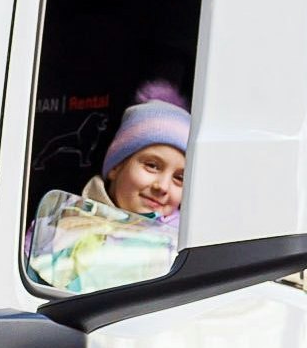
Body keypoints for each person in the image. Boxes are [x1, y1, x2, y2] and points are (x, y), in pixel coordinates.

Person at [22, 80, 190, 294]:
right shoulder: (60, 222)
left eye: (179, 178)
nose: (162, 187)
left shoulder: (184, 250)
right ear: (116, 167)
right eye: (152, 165)